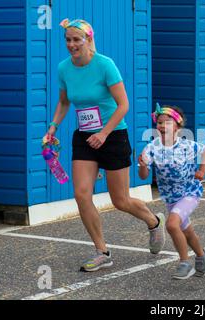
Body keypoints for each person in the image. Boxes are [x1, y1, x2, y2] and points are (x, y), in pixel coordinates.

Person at [44, 19, 165, 272]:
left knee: (120, 200)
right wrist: (53, 126)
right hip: (84, 138)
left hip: (113, 135)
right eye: (68, 40)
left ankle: (153, 221)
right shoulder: (64, 68)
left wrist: (104, 132)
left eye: (77, 39)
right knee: (81, 194)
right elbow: (64, 102)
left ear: (88, 39)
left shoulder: (105, 65)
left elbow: (123, 105)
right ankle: (102, 251)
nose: (72, 45)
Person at [138, 104, 205, 280]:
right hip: (170, 198)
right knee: (187, 231)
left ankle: (184, 263)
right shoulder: (151, 148)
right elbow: (143, 176)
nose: (163, 126)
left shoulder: (187, 145)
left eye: (167, 122)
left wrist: (202, 171)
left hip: (189, 193)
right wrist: (143, 166)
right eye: (159, 122)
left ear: (177, 126)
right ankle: (201, 255)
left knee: (172, 225)